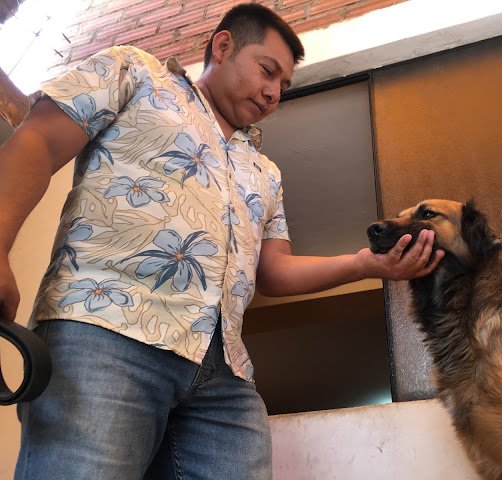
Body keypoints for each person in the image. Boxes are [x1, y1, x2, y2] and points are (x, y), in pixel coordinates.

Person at [0, 3, 444, 479]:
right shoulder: (136, 71)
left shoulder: (266, 172)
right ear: (224, 45)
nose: (274, 92)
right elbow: (39, 139)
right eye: (267, 71)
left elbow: (273, 270)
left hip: (223, 375)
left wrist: (365, 265)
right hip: (105, 331)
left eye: (283, 84)